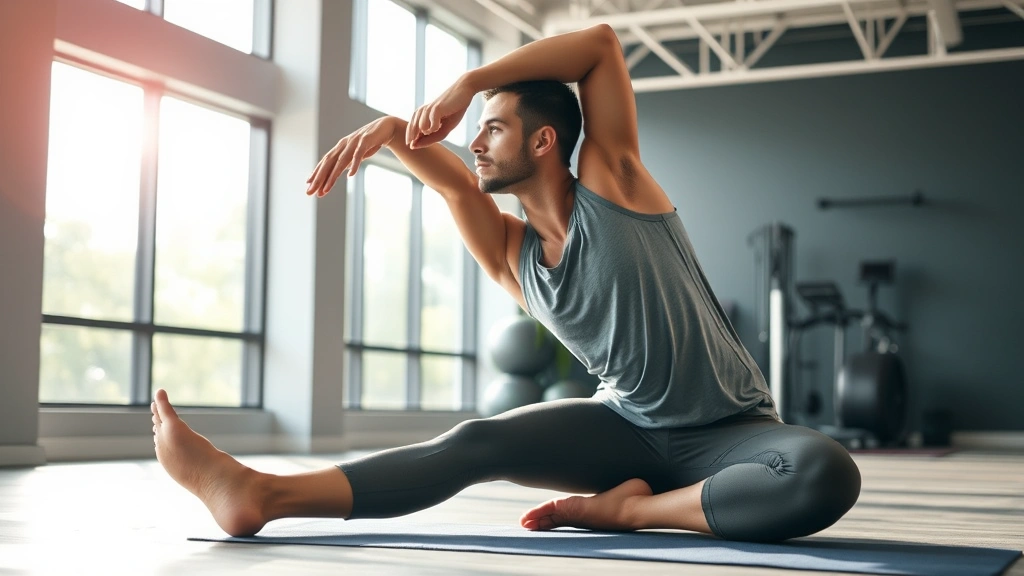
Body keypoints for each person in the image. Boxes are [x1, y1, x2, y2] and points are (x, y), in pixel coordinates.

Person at [151, 24, 860, 543]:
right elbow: (460, 189)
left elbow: (603, 46)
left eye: (492, 128)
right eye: (477, 130)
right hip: (624, 435)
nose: (475, 140)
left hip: (727, 437)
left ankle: (632, 511)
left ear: (544, 141)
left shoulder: (616, 186)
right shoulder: (511, 256)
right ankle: (257, 493)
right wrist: (397, 134)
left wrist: (467, 84)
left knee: (825, 472)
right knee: (476, 441)